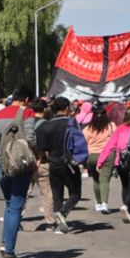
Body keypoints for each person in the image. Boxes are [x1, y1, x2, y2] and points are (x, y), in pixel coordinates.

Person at [0, 86, 37, 258]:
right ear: (27, 100)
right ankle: (9, 251)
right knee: (16, 205)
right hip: (19, 163)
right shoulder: (28, 113)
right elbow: (31, 139)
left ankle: (4, 242)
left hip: (0, 165)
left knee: (9, 204)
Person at [36, 97, 82, 235]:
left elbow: (42, 147)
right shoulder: (71, 123)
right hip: (69, 163)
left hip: (53, 162)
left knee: (57, 195)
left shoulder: (46, 125)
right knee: (75, 193)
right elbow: (78, 141)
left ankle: (57, 225)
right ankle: (62, 214)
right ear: (67, 108)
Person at [98, 109, 130, 223]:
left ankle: (128, 210)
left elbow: (109, 146)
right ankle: (126, 206)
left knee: (125, 185)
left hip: (120, 162)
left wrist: (100, 161)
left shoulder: (120, 129)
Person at [83, 102, 117, 214]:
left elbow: (84, 142)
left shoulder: (88, 128)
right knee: (105, 179)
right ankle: (104, 203)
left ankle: (98, 203)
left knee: (96, 179)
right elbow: (115, 140)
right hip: (107, 155)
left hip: (91, 156)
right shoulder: (111, 126)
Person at [30, 99, 55, 229]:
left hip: (26, 162)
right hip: (43, 163)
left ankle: (15, 218)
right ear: (44, 110)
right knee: (47, 193)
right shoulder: (48, 126)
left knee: (22, 192)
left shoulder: (25, 124)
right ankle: (50, 222)